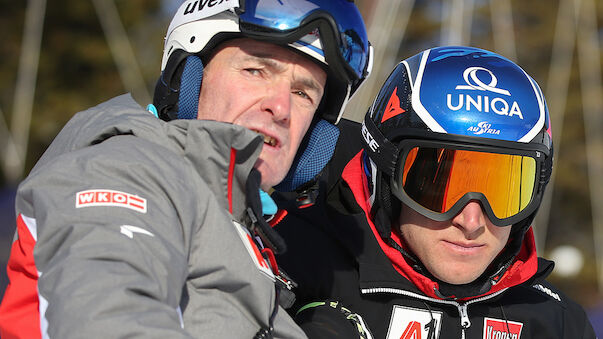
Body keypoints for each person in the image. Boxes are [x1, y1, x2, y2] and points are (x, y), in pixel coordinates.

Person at [0, 1, 373, 338]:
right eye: (255, 69)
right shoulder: (129, 170)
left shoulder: (237, 225)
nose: (281, 107)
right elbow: (108, 315)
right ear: (190, 78)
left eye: (303, 93)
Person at [272, 46, 597, 338]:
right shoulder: (288, 264)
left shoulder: (556, 322)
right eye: (440, 187)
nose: (471, 222)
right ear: (385, 181)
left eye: (504, 192)